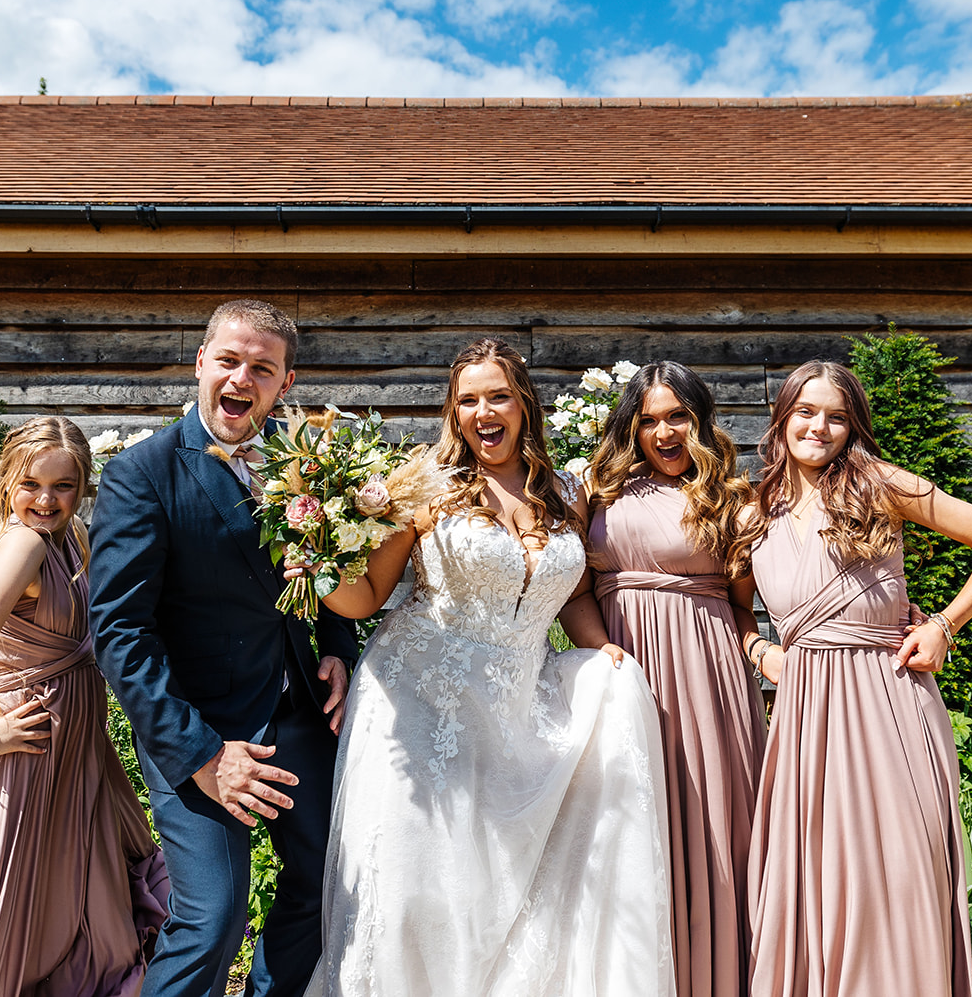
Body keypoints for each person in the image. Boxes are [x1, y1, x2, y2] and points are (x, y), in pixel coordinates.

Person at [297, 338, 675, 996]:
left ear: (522, 403)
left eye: (496, 395)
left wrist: (599, 646)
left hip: (515, 711)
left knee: (502, 892)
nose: (483, 411)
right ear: (454, 412)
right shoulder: (426, 486)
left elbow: (576, 588)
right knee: (423, 893)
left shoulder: (565, 492)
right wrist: (316, 556)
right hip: (417, 708)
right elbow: (363, 598)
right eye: (467, 399)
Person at [90, 300, 357, 997]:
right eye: (230, 360)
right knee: (211, 918)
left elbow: (332, 573)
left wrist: (335, 648)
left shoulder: (308, 469)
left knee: (325, 887)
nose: (243, 378)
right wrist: (205, 756)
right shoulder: (141, 476)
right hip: (197, 725)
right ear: (201, 362)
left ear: (285, 383)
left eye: (262, 368)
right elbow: (120, 632)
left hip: (298, 712)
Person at [739, 361, 972, 997]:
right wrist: (762, 650)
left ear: (853, 427)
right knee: (817, 875)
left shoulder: (882, 484)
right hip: (807, 712)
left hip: (888, 699)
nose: (820, 427)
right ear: (782, 417)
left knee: (897, 872)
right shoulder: (752, 510)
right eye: (807, 412)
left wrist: (944, 625)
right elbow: (731, 606)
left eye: (837, 417)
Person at [0, 417, 169, 997]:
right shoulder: (22, 543)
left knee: (51, 909)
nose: (46, 499)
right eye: (31, 483)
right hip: (28, 753)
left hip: (68, 754)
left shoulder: (66, 538)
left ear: (83, 486)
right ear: (6, 482)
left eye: (64, 485)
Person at [588, 361, 767, 997]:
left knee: (715, 824)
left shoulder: (733, 500)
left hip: (708, 678)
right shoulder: (598, 489)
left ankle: (721, 979)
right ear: (631, 429)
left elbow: (747, 604)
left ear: (700, 422)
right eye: (649, 421)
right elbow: (571, 585)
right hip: (620, 672)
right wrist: (601, 651)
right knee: (632, 827)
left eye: (678, 417)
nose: (665, 433)